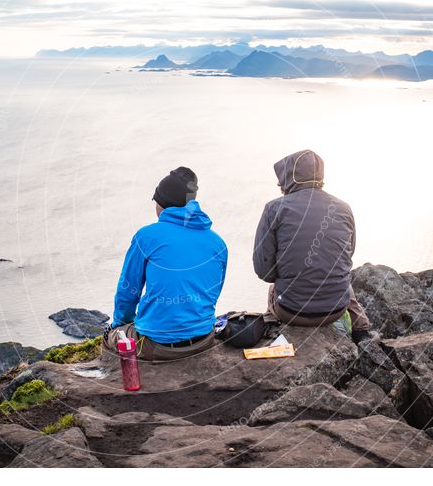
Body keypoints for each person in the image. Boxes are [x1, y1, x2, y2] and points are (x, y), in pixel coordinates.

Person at [103, 167, 228, 361]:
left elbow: (128, 292)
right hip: (205, 339)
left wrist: (121, 324)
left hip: (156, 345)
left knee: (111, 337)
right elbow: (212, 293)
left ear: (162, 205)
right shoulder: (218, 243)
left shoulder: (146, 237)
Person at [252, 149, 373, 344]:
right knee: (343, 280)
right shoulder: (343, 207)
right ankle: (361, 330)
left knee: (274, 288)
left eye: (281, 179)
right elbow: (348, 254)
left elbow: (263, 270)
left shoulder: (274, 209)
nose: (279, 184)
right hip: (336, 309)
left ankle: (276, 331)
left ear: (291, 180)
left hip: (291, 311)